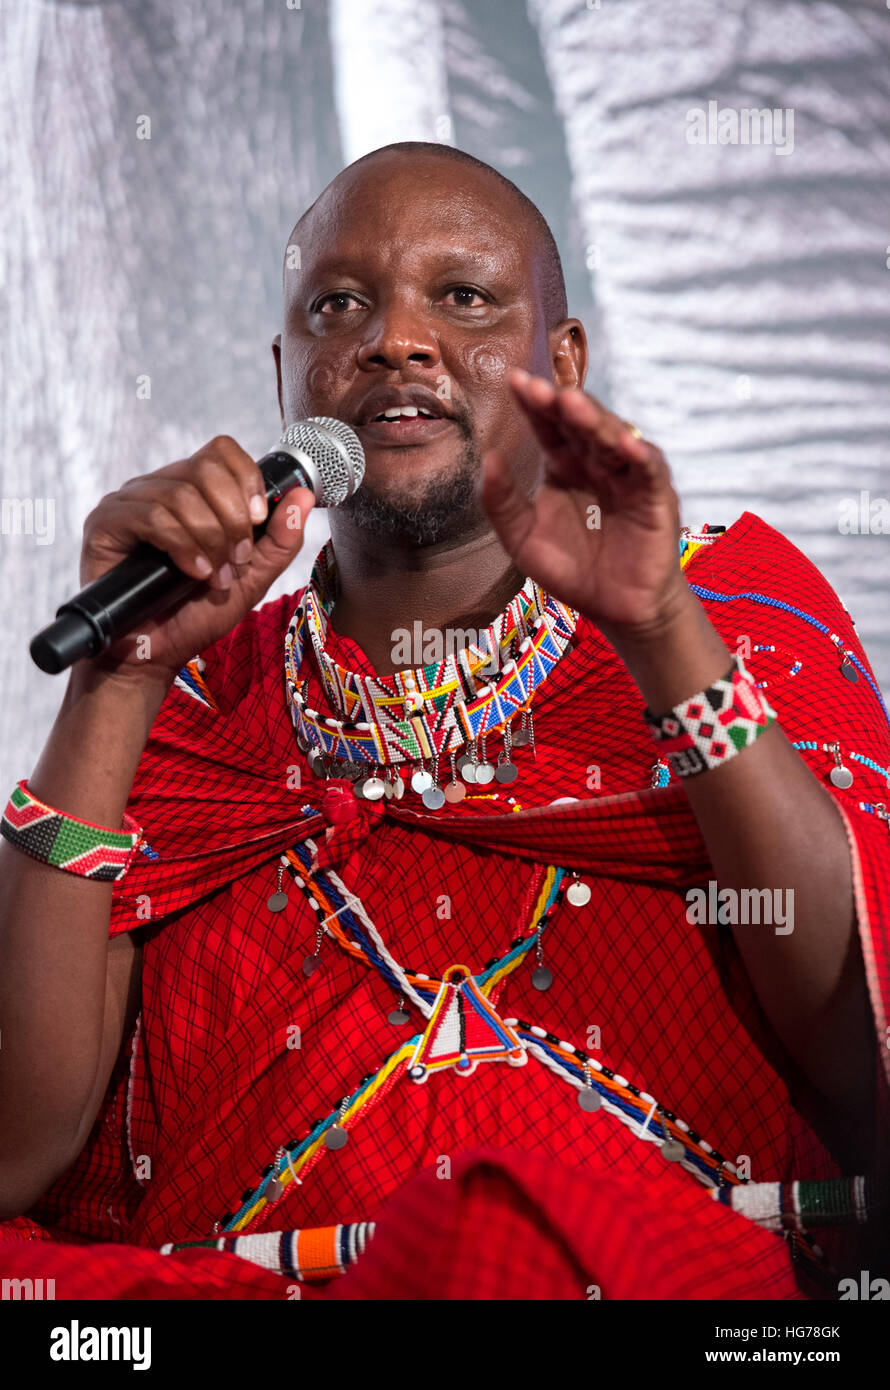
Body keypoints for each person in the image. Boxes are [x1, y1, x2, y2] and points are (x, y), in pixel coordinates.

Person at [0, 142, 886, 1301]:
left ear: (559, 359)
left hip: (670, 1288)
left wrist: (661, 634)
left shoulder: (724, 615)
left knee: (495, 1252)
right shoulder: (201, 697)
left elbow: (858, 1053)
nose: (395, 339)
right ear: (287, 374)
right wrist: (117, 682)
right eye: (339, 306)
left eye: (462, 298)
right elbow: (17, 1148)